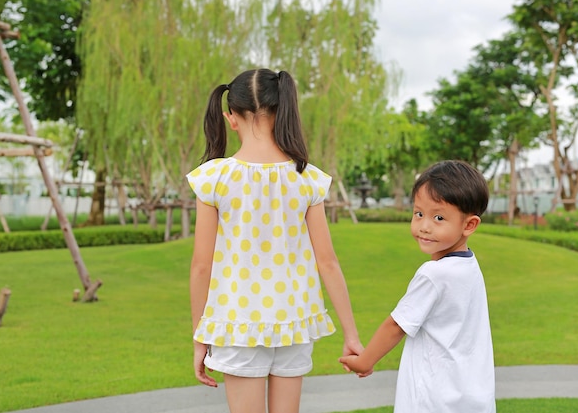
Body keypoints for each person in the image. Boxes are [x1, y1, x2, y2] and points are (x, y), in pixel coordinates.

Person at [187, 68, 365, 413]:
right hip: (293, 322)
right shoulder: (307, 178)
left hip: (237, 323)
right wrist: (352, 335)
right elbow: (327, 262)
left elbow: (201, 266)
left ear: (231, 118)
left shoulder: (214, 178)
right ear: (283, 110)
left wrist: (200, 338)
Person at [339, 160, 496, 413]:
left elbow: (396, 325)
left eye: (439, 217)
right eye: (419, 213)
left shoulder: (434, 274)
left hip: (433, 398)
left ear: (469, 225)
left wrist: (364, 361)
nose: (424, 225)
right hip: (469, 395)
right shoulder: (469, 266)